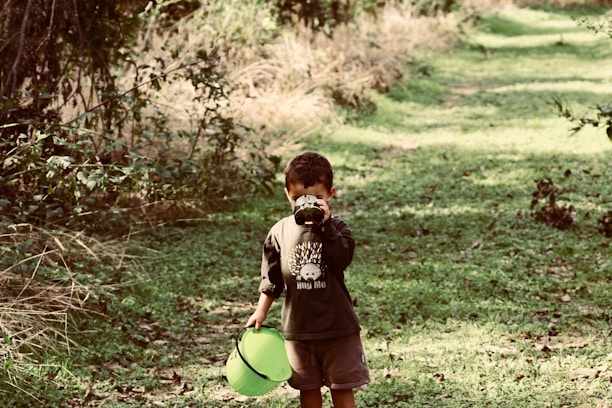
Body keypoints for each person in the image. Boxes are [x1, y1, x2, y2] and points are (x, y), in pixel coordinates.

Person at [246, 151, 370, 408]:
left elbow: (341, 259)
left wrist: (325, 226)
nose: (306, 205)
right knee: (308, 390)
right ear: (287, 195)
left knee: (342, 390)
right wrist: (260, 312)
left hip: (338, 328)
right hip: (299, 330)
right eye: (298, 199)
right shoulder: (279, 232)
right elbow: (272, 279)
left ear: (330, 195)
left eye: (316, 199)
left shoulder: (338, 228)